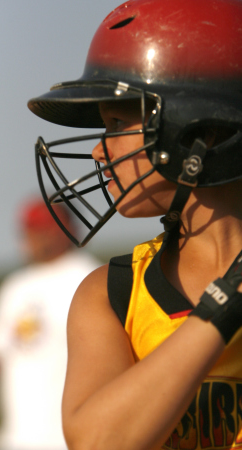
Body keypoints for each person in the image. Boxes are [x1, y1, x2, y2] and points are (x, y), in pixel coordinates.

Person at [27, 0, 242, 449]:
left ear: (202, 130)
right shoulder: (113, 294)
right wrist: (224, 306)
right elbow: (99, 442)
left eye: (118, 123)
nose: (97, 153)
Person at [0, 197, 100, 450]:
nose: (29, 237)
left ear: (67, 228)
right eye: (26, 229)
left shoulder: (91, 279)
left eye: (40, 228)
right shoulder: (15, 288)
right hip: (16, 439)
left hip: (68, 440)